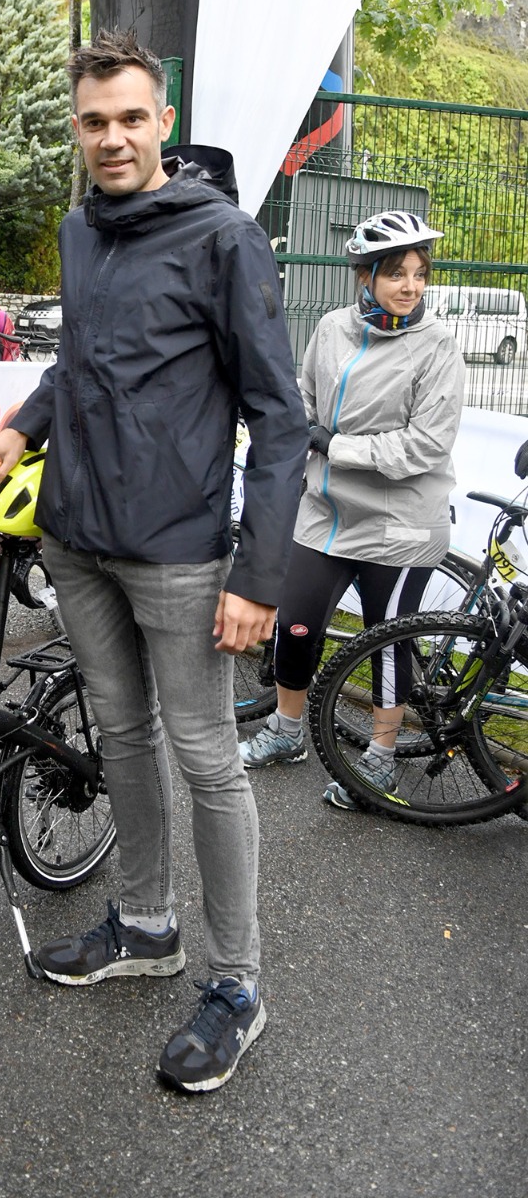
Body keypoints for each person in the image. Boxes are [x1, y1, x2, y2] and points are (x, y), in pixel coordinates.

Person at [0, 30, 307, 1094]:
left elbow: (279, 418)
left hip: (179, 553)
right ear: (74, 130)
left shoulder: (222, 238)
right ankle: (146, 924)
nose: (110, 137)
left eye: (129, 118)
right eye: (91, 121)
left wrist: (258, 573)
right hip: (77, 538)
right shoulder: (78, 228)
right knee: (119, 738)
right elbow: (80, 363)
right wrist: (23, 424)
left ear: (161, 121)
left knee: (206, 758)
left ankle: (235, 984)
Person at [238, 210, 466, 808]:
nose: (411, 286)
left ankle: (382, 760)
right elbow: (304, 402)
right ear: (364, 277)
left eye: (419, 274)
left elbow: (426, 445)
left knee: (385, 642)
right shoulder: (332, 329)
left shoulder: (437, 345)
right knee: (295, 624)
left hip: (401, 524)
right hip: (325, 511)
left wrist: (333, 444)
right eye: (396, 273)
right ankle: (287, 733)